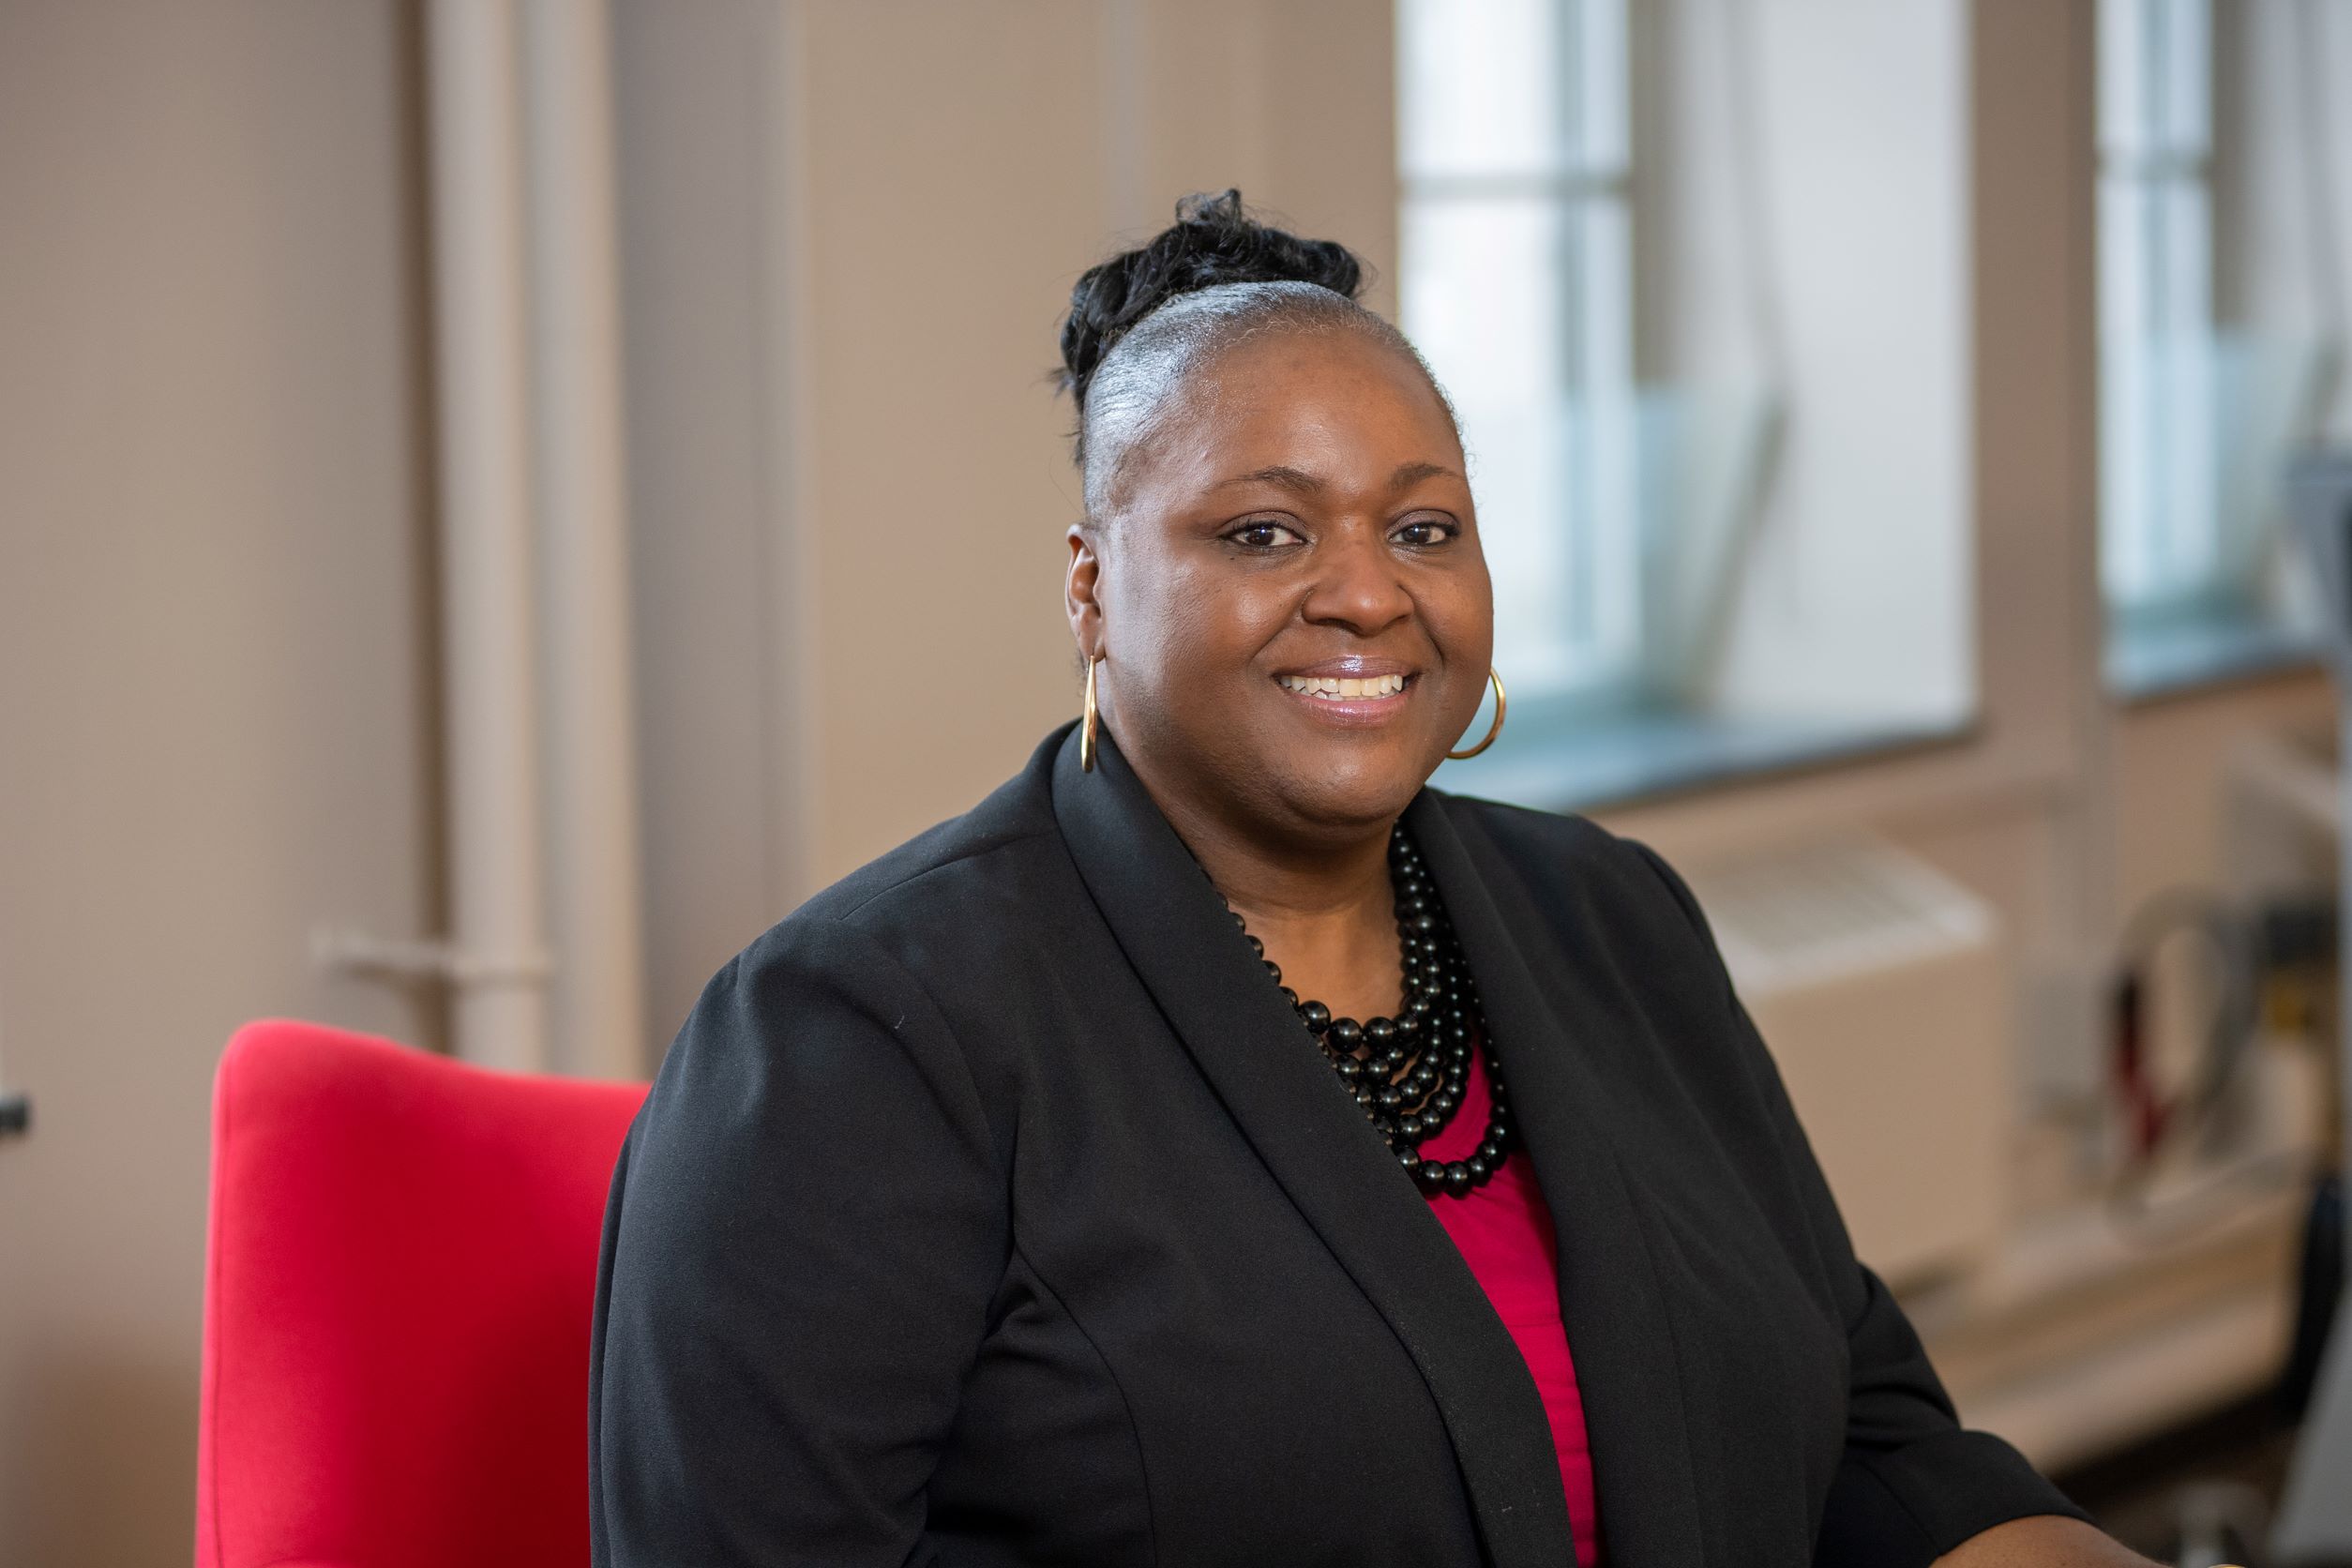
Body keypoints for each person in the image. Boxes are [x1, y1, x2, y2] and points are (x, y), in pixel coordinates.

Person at [590, 192, 2157, 1567]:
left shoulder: (1610, 921)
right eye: (1264, 532)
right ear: (1091, 586)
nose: (1364, 592)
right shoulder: (855, 1040)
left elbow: (1867, 1438)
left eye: (1424, 526)